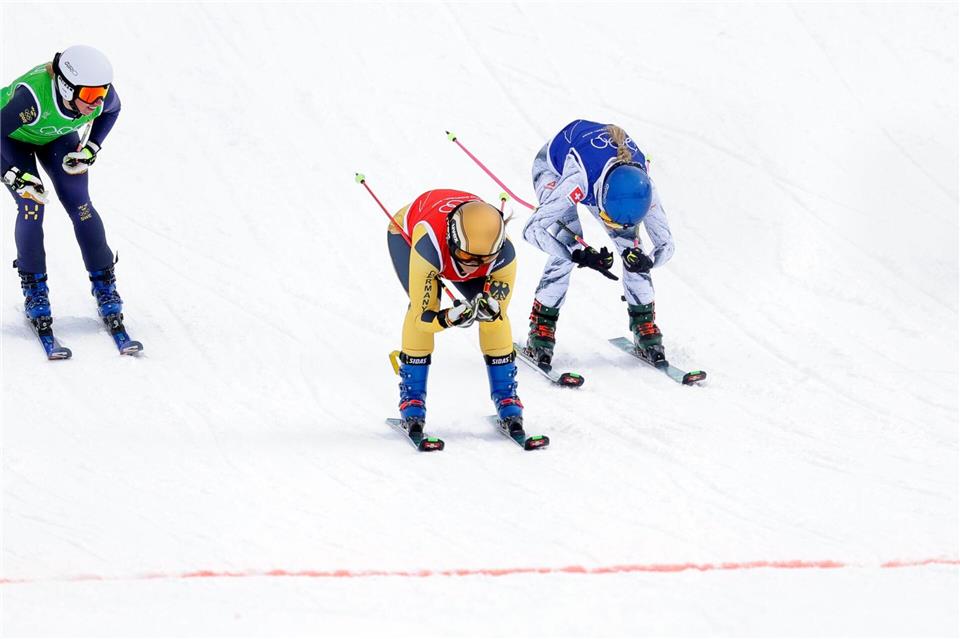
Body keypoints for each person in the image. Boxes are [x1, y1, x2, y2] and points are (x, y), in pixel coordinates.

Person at [522, 119, 675, 368]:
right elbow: (532, 230)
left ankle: (644, 323)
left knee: (633, 250)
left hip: (604, 178)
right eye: (609, 219)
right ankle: (541, 326)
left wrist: (648, 261)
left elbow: (666, 244)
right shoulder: (578, 181)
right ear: (601, 201)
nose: (614, 227)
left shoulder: (644, 188)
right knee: (567, 239)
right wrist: (576, 254)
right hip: (554, 170)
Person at [1, 44, 125, 333]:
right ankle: (34, 289)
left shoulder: (99, 96)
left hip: (54, 137)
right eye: (90, 95)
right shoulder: (29, 100)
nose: (97, 102)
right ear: (67, 88)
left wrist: (91, 147)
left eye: (102, 92)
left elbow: (113, 109)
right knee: (31, 204)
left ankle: (105, 285)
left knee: (81, 205)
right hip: (10, 139)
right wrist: (10, 175)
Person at [387, 188, 524, 436]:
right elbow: (423, 319)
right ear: (453, 239)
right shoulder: (429, 246)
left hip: (461, 242)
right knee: (422, 308)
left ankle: (507, 398)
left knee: (493, 317)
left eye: (484, 260)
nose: (472, 266)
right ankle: (412, 399)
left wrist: (491, 312)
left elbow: (497, 314)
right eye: (465, 256)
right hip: (407, 234)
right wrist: (447, 318)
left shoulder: (505, 255)